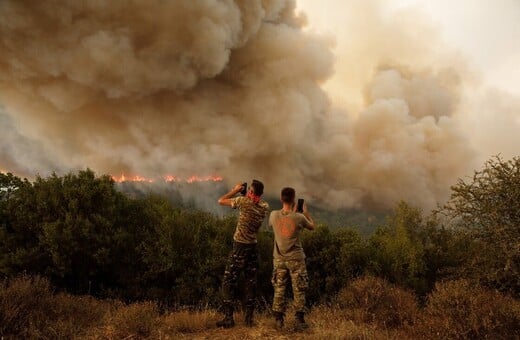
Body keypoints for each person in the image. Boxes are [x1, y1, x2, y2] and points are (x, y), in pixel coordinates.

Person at [216, 179, 270, 328]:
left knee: (228, 282)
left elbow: (221, 201)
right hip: (253, 247)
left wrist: (235, 189)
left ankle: (229, 319)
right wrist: (247, 193)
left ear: (251, 193)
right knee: (250, 282)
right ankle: (248, 320)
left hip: (240, 246)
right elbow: (254, 201)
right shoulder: (264, 207)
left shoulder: (243, 202)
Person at [269, 187, 315, 330]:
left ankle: (278, 319)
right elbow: (312, 227)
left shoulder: (273, 215)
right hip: (296, 259)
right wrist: (306, 213)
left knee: (279, 288)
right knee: (299, 289)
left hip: (279, 259)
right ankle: (299, 321)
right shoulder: (299, 217)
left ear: (281, 198)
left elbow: (281, 225)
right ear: (294, 199)